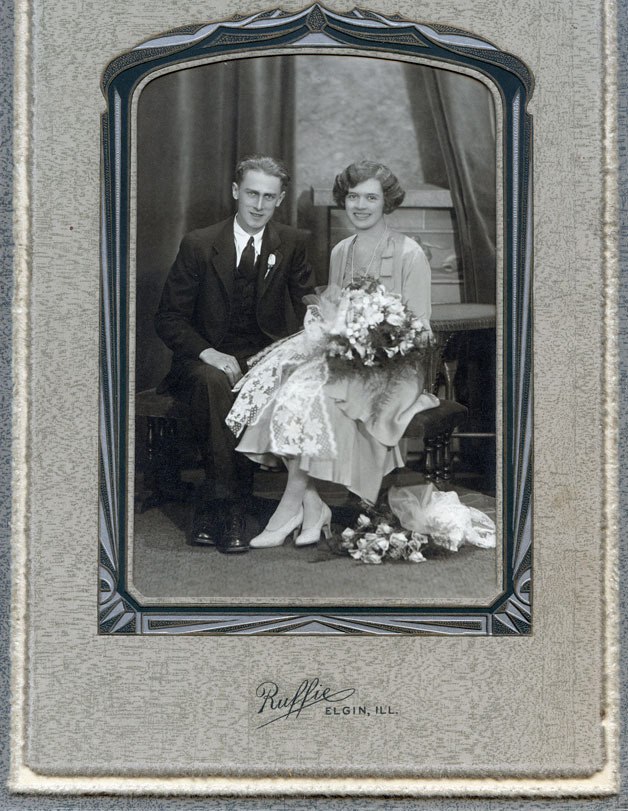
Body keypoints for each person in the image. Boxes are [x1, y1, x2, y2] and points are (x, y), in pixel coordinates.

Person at [226, 160, 440, 548]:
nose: (360, 205)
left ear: (386, 202)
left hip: (394, 368)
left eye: (370, 198)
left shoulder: (410, 254)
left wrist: (379, 341)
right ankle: (313, 503)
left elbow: (421, 329)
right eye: (353, 197)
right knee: (286, 388)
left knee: (322, 396)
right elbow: (336, 309)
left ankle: (290, 506)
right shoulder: (342, 250)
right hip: (348, 358)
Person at [154, 155, 314, 553]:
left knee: (259, 382)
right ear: (235, 192)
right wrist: (207, 352)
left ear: (280, 200)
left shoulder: (293, 243)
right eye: (252, 194)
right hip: (202, 360)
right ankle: (230, 510)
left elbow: (308, 302)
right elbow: (169, 318)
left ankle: (210, 509)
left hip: (264, 358)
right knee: (215, 383)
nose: (259, 206)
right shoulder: (200, 243)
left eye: (269, 197)